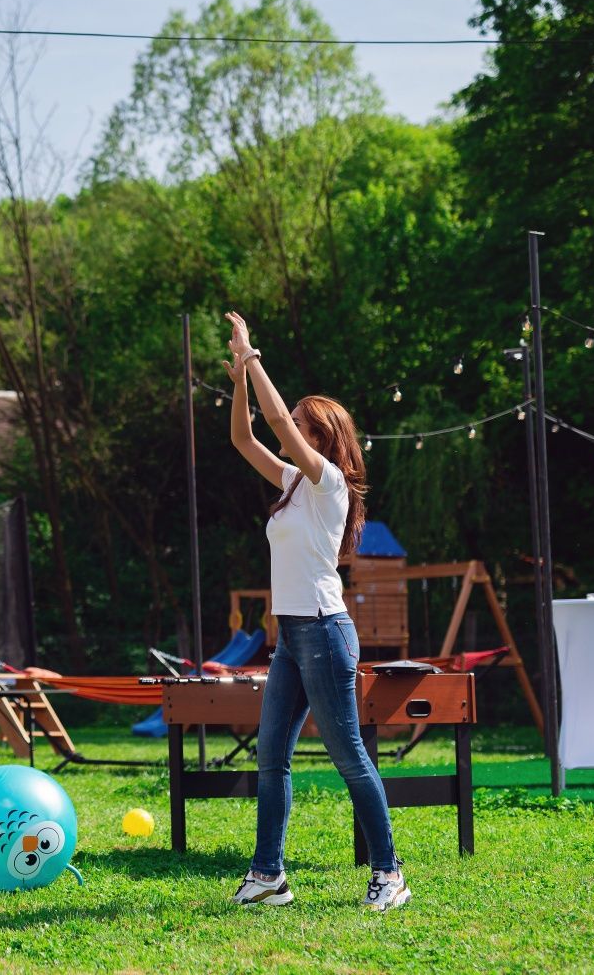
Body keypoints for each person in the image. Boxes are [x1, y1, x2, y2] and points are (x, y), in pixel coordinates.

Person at [220, 312, 410, 912]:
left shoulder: (328, 483)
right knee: (271, 757)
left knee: (349, 756)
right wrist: (238, 382)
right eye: (293, 421)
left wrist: (253, 358)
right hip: (292, 639)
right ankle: (269, 877)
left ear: (321, 439)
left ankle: (389, 874)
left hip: (326, 634)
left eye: (302, 425)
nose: (290, 427)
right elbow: (244, 438)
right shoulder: (291, 485)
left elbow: (274, 420)